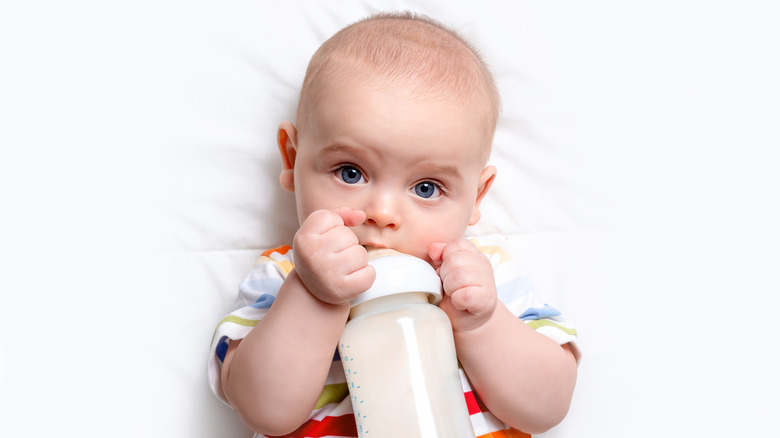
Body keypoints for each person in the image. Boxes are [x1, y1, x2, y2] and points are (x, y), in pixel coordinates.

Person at [208, 11, 579, 437]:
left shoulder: (484, 279)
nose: (382, 213)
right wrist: (313, 297)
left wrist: (482, 324)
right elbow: (264, 411)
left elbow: (548, 407)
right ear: (292, 160)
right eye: (350, 172)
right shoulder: (283, 278)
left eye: (426, 188)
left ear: (476, 196)